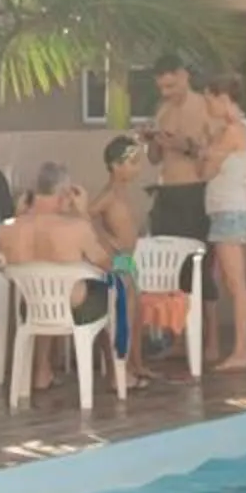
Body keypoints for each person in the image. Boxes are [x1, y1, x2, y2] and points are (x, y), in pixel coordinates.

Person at [0, 163, 114, 396]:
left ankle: (42, 371)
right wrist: (84, 214)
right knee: (124, 284)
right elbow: (107, 261)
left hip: (31, 306)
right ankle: (119, 374)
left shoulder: (8, 229)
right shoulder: (77, 227)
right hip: (76, 307)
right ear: (65, 194)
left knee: (47, 293)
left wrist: (19, 214)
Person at [89, 133, 167, 384]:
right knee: (126, 311)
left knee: (136, 312)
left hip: (129, 259)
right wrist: (106, 240)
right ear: (115, 165)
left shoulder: (123, 192)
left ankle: (137, 363)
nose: (137, 168)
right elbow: (86, 216)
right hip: (119, 259)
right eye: (132, 162)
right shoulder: (109, 193)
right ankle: (124, 369)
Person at [202, 74, 246, 372]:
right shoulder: (237, 127)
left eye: (209, 99)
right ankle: (239, 348)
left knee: (236, 285)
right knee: (231, 282)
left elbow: (206, 169)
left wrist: (207, 149)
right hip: (227, 213)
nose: (207, 105)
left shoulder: (233, 130)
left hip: (229, 214)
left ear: (223, 98)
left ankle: (242, 350)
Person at [143, 54, 217, 244]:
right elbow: (154, 159)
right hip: (166, 192)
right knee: (164, 251)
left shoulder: (205, 106)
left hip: (193, 191)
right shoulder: (163, 110)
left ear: (183, 76)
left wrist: (185, 146)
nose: (165, 93)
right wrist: (151, 139)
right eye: (161, 88)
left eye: (170, 86)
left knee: (194, 257)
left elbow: (217, 152)